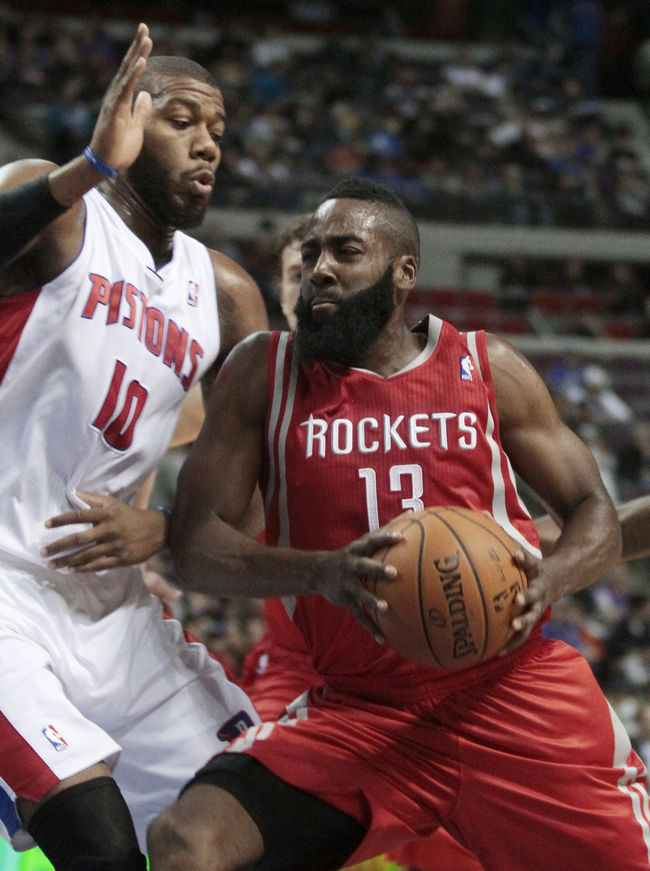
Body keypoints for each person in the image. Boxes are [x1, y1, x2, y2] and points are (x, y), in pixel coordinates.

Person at [147, 177, 650, 871]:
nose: (321, 268)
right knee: (188, 841)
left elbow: (594, 510)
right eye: (313, 253)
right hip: (363, 712)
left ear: (403, 270)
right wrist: (322, 571)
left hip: (510, 692)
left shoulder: (487, 366)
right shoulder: (264, 372)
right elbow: (197, 546)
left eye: (346, 251)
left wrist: (551, 578)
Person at [0, 22, 269, 871]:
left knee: (253, 824)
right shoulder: (58, 209)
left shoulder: (224, 292)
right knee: (102, 846)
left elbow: (260, 485)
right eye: (182, 120)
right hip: (3, 590)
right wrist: (91, 166)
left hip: (113, 607)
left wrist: (167, 529)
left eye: (217, 130)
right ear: (128, 119)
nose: (207, 143)